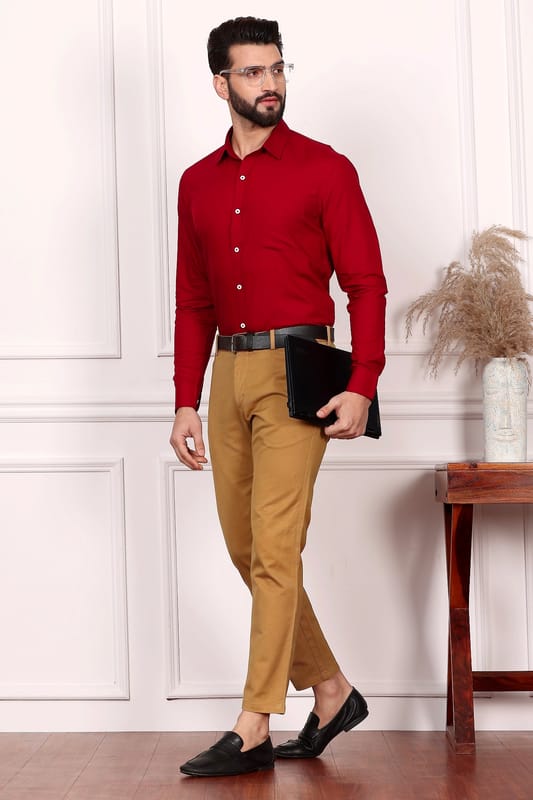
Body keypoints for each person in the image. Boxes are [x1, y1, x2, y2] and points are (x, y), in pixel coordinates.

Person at [170, 16, 387, 778]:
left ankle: (254, 721)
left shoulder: (326, 169)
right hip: (227, 375)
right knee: (246, 547)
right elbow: (193, 300)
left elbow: (366, 283)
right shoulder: (196, 183)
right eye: (253, 72)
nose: (270, 84)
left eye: (277, 68)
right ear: (220, 84)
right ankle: (331, 691)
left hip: (301, 373)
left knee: (275, 547)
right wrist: (186, 399)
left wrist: (361, 383)